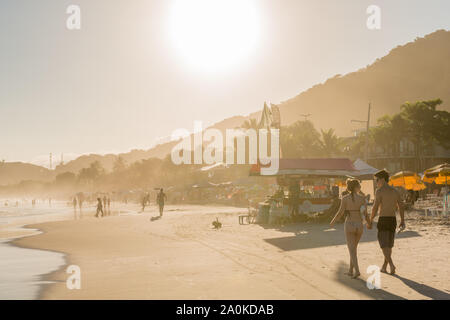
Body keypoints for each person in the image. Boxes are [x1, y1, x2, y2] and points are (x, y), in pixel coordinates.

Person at [330, 179, 370, 279]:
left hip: (349, 224)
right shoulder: (362, 198)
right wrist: (369, 223)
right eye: (359, 186)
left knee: (352, 250)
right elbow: (365, 213)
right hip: (359, 224)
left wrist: (333, 221)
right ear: (356, 187)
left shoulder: (345, 198)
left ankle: (357, 270)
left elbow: (340, 212)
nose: (360, 188)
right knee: (354, 249)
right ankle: (350, 270)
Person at [369, 169, 405, 275]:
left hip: (384, 219)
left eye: (377, 180)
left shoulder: (379, 191)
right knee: (389, 245)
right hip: (392, 219)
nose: (376, 182)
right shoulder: (395, 191)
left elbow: (375, 208)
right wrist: (402, 220)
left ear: (383, 179)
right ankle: (384, 266)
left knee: (384, 245)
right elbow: (401, 206)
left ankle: (391, 265)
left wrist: (370, 220)